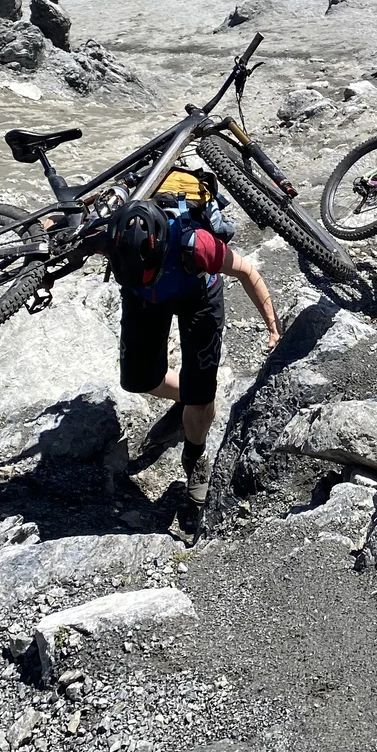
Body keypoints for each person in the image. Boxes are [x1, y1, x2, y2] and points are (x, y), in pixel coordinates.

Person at [105, 191, 280, 533]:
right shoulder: (112, 235)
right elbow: (66, 243)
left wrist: (273, 326)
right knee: (139, 380)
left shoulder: (197, 244)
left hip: (198, 296)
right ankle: (186, 402)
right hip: (145, 299)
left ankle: (195, 456)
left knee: (201, 394)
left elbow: (245, 270)